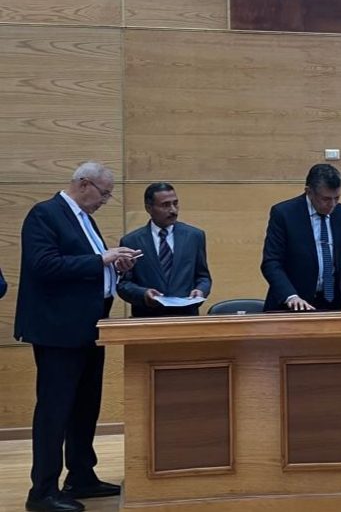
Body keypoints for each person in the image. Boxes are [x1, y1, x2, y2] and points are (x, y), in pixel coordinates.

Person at [14, 161, 140, 512]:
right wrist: (102, 258)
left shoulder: (83, 218)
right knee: (55, 411)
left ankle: (81, 476)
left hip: (89, 327)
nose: (105, 200)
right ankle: (42, 491)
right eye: (104, 193)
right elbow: (44, 265)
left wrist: (115, 266)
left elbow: (86, 265)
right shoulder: (45, 214)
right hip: (58, 331)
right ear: (84, 184)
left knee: (85, 406)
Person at [261, 164, 341, 311]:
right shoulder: (284, 213)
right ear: (309, 192)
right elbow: (271, 263)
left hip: (332, 303)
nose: (332, 204)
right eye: (326, 199)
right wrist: (291, 296)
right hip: (292, 304)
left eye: (337, 198)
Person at [117, 182, 212, 317]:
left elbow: (203, 277)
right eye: (165, 205)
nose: (173, 210)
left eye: (175, 203)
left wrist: (200, 290)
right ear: (149, 208)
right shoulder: (131, 241)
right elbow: (124, 284)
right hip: (147, 318)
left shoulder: (194, 236)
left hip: (185, 317)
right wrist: (144, 294)